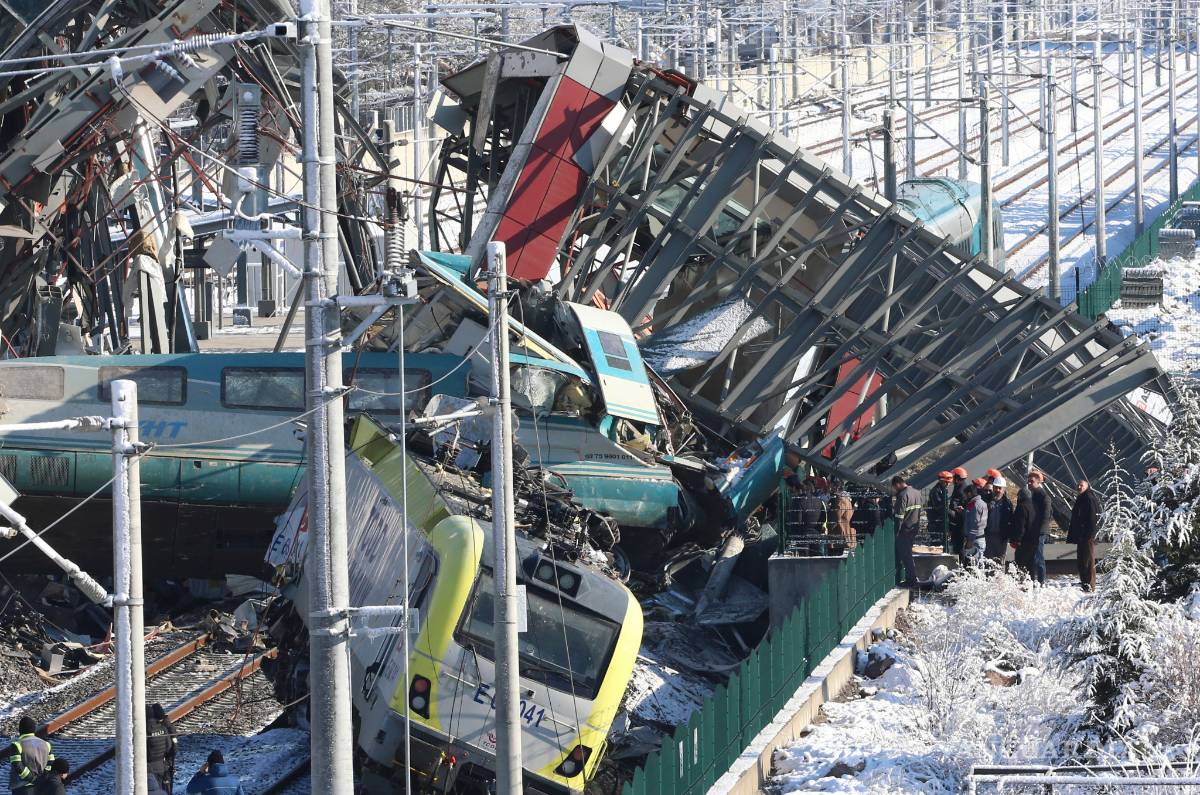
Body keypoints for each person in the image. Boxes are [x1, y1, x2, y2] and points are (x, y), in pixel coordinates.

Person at [1015, 471, 1052, 584]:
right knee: (1032, 557)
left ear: (1039, 482)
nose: (1029, 483)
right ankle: (1034, 580)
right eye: (1028, 481)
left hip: (1039, 532)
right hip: (1034, 532)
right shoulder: (1033, 495)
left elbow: (1046, 516)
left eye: (1032, 481)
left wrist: (1039, 531)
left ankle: (1041, 581)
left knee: (1038, 557)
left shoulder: (1044, 497)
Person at [1067, 479, 1101, 591]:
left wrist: (1090, 534)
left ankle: (1089, 584)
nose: (1079, 487)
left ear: (1087, 486)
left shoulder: (1088, 498)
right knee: (1082, 559)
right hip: (1083, 535)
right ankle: (1085, 582)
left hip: (1087, 535)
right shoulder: (1083, 498)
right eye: (1078, 485)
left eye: (1081, 485)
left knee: (1087, 560)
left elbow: (1093, 518)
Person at [6, 716, 53, 793]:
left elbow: (17, 765)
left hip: (22, 787)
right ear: (33, 729)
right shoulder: (46, 744)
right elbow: (50, 762)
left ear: (20, 730)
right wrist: (43, 777)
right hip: (41, 785)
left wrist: (31, 778)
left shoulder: (17, 745)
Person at [892, 475, 923, 585]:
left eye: (894, 487)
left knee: (906, 556)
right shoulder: (917, 493)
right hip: (913, 528)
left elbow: (899, 517)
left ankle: (911, 579)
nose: (895, 490)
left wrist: (896, 532)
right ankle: (910, 577)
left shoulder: (903, 495)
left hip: (904, 530)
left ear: (897, 484)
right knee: (908, 553)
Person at [146, 702, 177, 793]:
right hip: (162, 766)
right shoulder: (163, 728)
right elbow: (169, 746)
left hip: (149, 767)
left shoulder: (145, 730)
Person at [983, 477, 1014, 564]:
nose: (997, 490)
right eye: (996, 487)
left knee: (1000, 561)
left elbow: (1011, 520)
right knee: (987, 561)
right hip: (988, 536)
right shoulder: (985, 500)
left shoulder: (1007, 503)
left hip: (1001, 537)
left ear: (1004, 490)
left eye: (1000, 488)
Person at [961, 484, 988, 565]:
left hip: (974, 540)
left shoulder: (974, 505)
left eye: (965, 494)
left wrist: (970, 540)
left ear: (969, 494)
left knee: (972, 566)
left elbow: (975, 523)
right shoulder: (982, 503)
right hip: (980, 538)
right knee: (979, 564)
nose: (964, 497)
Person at [927, 472, 952, 548]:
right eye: (947, 482)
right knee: (937, 542)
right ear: (942, 481)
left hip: (940, 519)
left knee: (942, 541)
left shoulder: (942, 490)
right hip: (936, 520)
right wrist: (950, 512)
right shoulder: (936, 491)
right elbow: (939, 507)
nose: (948, 484)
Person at [949, 467, 969, 559]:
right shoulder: (961, 487)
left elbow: (955, 504)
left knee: (959, 547)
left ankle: (962, 563)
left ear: (957, 478)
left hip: (959, 522)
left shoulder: (960, 490)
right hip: (960, 521)